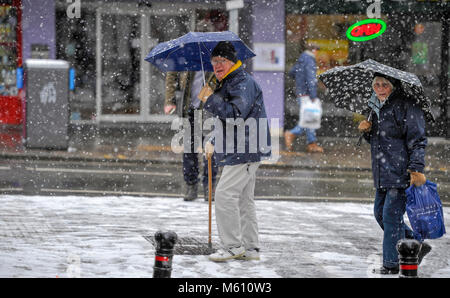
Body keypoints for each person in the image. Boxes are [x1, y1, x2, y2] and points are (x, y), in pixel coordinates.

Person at [198, 41, 271, 262]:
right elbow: (227, 121)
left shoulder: (241, 82)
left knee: (224, 195)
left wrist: (209, 99)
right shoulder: (229, 81)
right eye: (214, 61)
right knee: (243, 200)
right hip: (241, 146)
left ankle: (232, 246)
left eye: (222, 61)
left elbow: (235, 115)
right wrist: (212, 139)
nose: (217, 65)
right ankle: (250, 248)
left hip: (245, 147)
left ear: (232, 61)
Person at [358, 74, 432, 275]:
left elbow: (417, 139)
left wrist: (416, 169)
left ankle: (391, 264)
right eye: (376, 85)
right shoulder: (375, 107)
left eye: (384, 85)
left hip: (400, 170)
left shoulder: (406, 105)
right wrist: (368, 131)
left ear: (393, 86)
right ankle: (414, 244)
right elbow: (380, 140)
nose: (380, 88)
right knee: (380, 213)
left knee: (391, 216)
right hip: (382, 170)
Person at [164, 70, 218, 202]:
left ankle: (209, 187)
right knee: (189, 149)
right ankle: (191, 185)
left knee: (210, 151)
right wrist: (169, 100)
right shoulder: (188, 56)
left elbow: (224, 81)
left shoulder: (216, 58)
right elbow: (172, 75)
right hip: (189, 108)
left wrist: (212, 85)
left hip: (209, 110)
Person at [284, 43, 324, 153]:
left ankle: (312, 143)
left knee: (309, 116)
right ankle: (292, 133)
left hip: (300, 93)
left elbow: (292, 72)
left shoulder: (302, 58)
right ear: (314, 50)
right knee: (309, 118)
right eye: (317, 50)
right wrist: (313, 96)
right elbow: (311, 79)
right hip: (307, 94)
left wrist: (300, 80)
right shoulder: (310, 60)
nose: (317, 53)